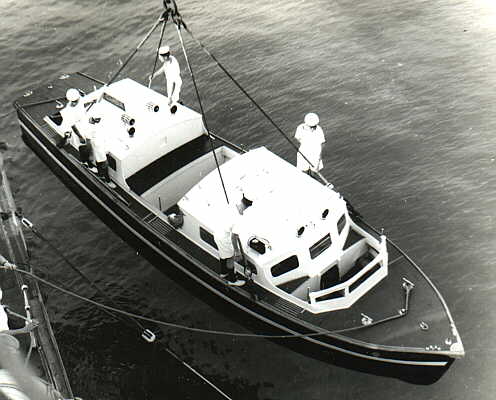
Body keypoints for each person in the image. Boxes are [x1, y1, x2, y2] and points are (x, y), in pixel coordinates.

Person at [214, 206, 245, 286]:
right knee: (230, 258)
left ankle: (223, 272)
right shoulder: (239, 219)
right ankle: (232, 280)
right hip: (224, 238)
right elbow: (233, 237)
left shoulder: (231, 207)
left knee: (223, 254)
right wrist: (237, 251)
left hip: (217, 233)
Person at [148, 45, 182, 112]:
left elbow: (171, 85)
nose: (159, 58)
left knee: (173, 98)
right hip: (174, 80)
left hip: (175, 82)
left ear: (165, 57)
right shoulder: (170, 59)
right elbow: (163, 68)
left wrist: (170, 98)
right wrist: (154, 75)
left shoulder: (172, 68)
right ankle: (173, 102)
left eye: (160, 57)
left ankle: (173, 105)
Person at [88, 116, 117, 189]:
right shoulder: (92, 128)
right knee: (104, 163)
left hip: (100, 145)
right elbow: (92, 140)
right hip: (99, 147)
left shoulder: (97, 126)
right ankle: (107, 181)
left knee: (99, 161)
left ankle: (100, 174)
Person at [294, 113, 325, 178]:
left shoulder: (318, 129)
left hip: (315, 154)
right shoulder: (300, 128)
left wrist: (319, 158)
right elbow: (297, 139)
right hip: (303, 153)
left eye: (314, 126)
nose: (313, 128)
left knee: (314, 173)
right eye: (311, 127)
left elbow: (322, 143)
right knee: (303, 172)